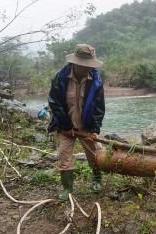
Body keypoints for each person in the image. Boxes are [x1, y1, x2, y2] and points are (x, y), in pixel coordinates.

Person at [47, 44, 105, 200]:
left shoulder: (96, 80)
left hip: (86, 126)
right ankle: (67, 188)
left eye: (90, 65)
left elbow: (99, 107)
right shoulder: (60, 78)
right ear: (76, 63)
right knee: (64, 155)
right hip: (65, 125)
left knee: (95, 154)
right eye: (85, 65)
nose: (88, 69)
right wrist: (65, 126)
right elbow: (55, 104)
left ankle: (97, 179)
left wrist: (95, 129)